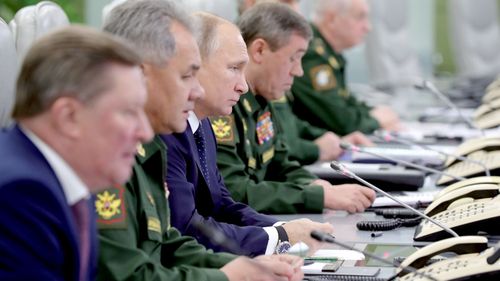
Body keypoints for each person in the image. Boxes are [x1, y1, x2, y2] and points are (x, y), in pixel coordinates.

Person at [96, 1, 303, 280]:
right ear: (141, 74)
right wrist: (229, 274)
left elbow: (167, 243)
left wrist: (245, 264)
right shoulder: (108, 155)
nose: (196, 91)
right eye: (187, 75)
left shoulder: (153, 141)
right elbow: (134, 272)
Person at [162, 12, 333, 257]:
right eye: (233, 69)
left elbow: (221, 203)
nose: (243, 86)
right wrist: (279, 237)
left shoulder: (201, 125)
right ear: (195, 66)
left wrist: (282, 229)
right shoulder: (168, 133)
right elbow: (188, 228)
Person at [0, 26, 153, 281]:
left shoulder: (66, 182)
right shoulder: (21, 194)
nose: (145, 133)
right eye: (129, 112)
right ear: (69, 117)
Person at [213, 2, 376, 214]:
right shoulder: (223, 106)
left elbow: (280, 163)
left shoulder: (263, 96)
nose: (298, 71)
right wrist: (316, 197)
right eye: (293, 58)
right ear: (260, 50)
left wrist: (317, 186)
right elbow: (233, 192)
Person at [290, 0, 401, 136]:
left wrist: (372, 112)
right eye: (360, 17)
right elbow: (340, 121)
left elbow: (345, 101)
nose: (368, 27)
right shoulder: (311, 54)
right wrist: (376, 120)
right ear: (332, 19)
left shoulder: (328, 53)